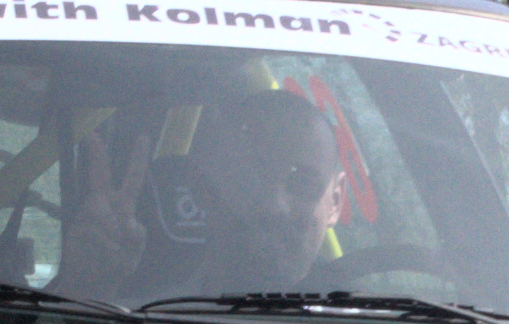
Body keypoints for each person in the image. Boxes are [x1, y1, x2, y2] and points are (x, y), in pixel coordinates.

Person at [65, 82, 345, 303]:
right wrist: (90, 289)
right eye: (250, 178)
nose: (274, 205)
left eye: (304, 183)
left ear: (336, 201)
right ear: (202, 187)